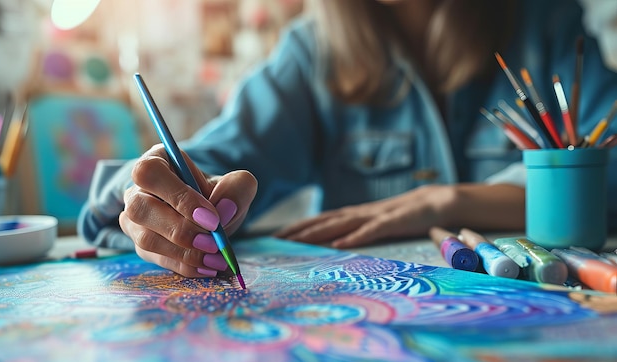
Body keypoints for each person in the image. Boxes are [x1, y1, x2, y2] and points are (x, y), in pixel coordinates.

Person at [78, 0, 617, 278]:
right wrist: (156, 194)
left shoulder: (548, 23)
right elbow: (211, 162)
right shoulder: (310, 54)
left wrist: (444, 202)